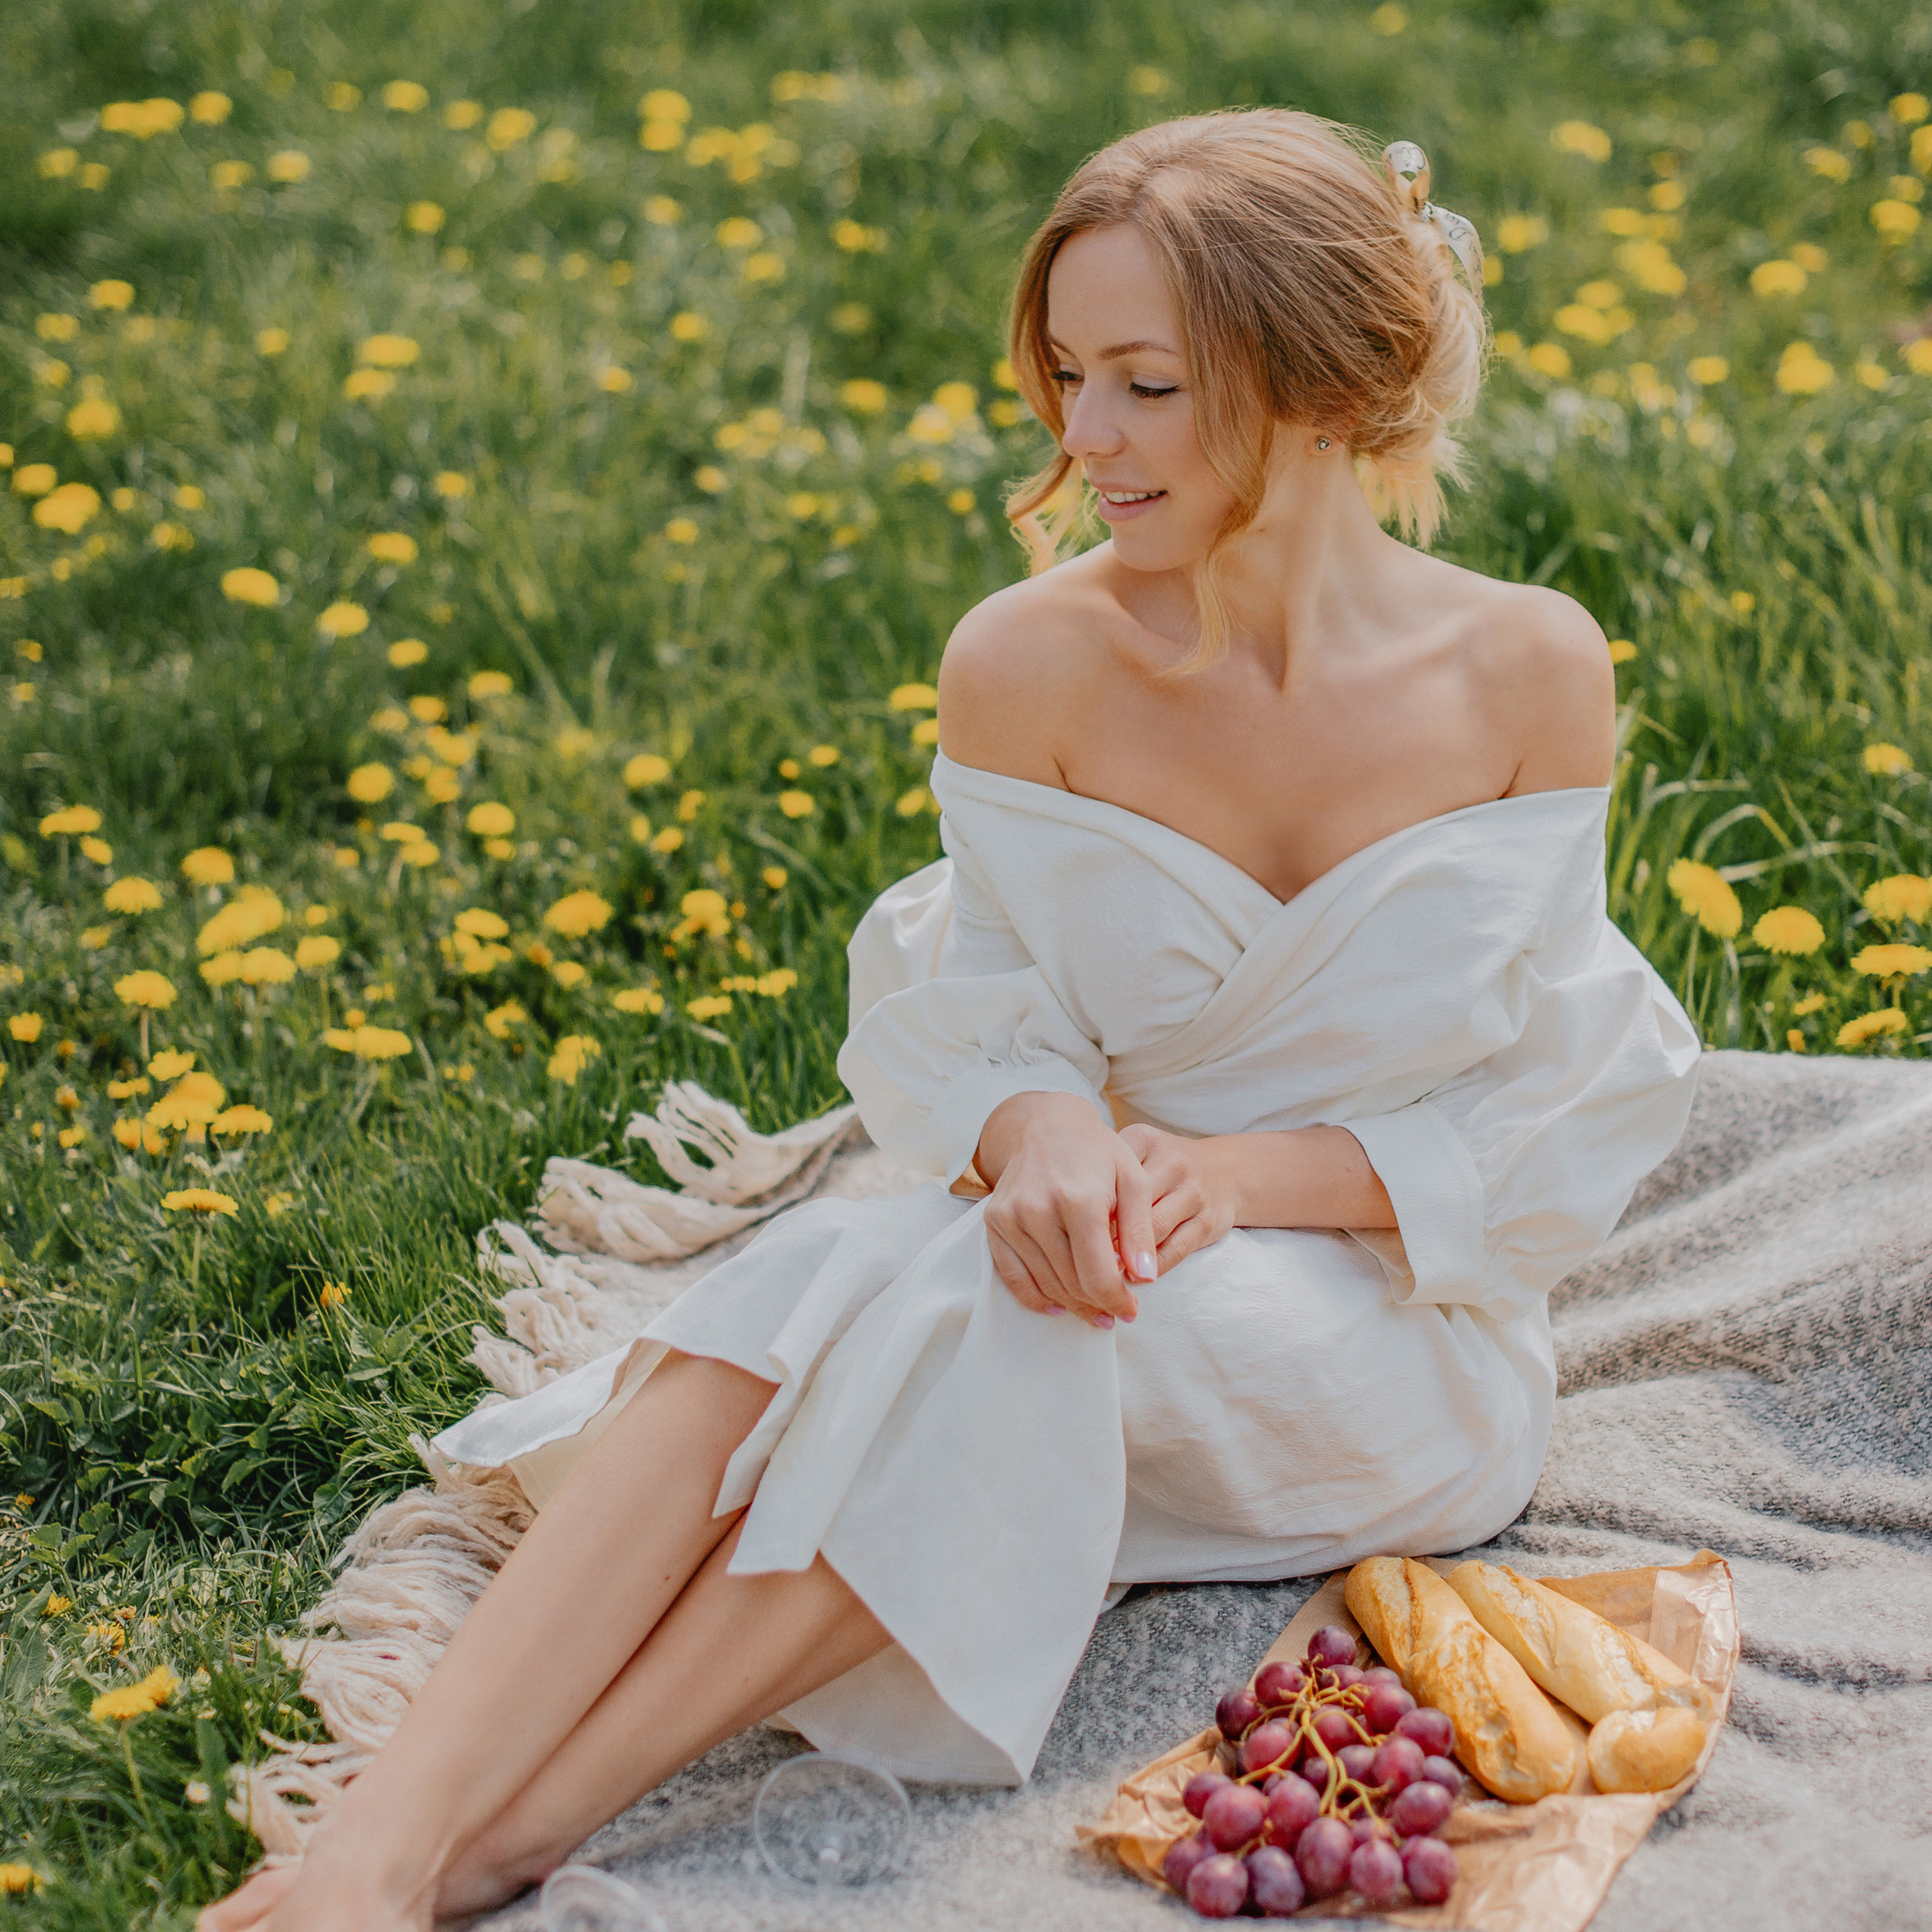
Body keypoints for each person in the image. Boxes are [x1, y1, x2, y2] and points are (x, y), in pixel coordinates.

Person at [204, 109, 1699, 1931]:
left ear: (1317, 384)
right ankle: (377, 1849)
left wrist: (1236, 1176)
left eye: (1144, 384)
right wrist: (1037, 1125)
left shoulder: (1526, 664)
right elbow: (985, 989)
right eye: (1066, 374)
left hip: (1396, 1332)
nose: (1082, 436)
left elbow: (1550, 1096)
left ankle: (499, 1840)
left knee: (996, 1305)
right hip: (1100, 1256)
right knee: (836, 1278)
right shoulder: (1024, 661)